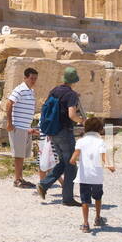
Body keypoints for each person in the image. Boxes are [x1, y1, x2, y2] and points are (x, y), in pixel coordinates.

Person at [37, 67, 83, 206]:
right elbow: (72, 115)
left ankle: (44, 184)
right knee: (71, 164)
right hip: (64, 132)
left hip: (53, 132)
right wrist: (83, 121)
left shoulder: (54, 91)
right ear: (74, 81)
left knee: (63, 162)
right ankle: (67, 198)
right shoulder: (71, 95)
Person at [71, 116, 115, 233]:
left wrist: (72, 160)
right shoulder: (100, 142)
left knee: (84, 201)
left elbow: (75, 154)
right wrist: (109, 166)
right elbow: (103, 156)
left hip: (84, 177)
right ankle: (97, 218)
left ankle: (85, 224)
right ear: (100, 129)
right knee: (98, 197)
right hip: (96, 177)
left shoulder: (80, 141)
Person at [5, 67, 40, 187]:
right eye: (31, 78)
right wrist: (9, 123)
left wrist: (28, 128)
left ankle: (20, 178)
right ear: (25, 78)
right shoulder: (20, 89)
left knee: (22, 155)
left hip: (24, 128)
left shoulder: (31, 91)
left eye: (35, 79)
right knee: (18, 155)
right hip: (17, 127)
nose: (33, 81)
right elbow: (9, 103)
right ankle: (17, 179)